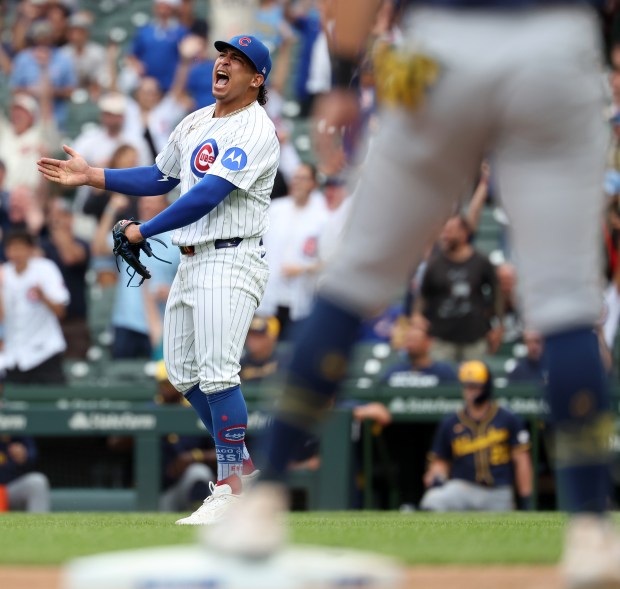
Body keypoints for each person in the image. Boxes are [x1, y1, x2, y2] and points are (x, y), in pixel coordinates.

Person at [209, 3, 620, 587]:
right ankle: (591, 532)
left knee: (352, 283)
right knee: (567, 306)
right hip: (559, 47)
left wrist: (343, 75)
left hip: (442, 46)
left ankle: (263, 500)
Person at [38, 34, 279, 525]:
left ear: (257, 79)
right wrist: (93, 177)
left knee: (216, 373)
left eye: (237, 59)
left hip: (231, 256)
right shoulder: (195, 122)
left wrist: (144, 228)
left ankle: (233, 483)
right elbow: (161, 177)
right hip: (193, 259)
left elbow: (208, 194)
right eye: (223, 54)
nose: (223, 61)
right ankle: (244, 469)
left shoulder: (256, 130)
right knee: (183, 373)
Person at [419, 360, 533, 512]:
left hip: (498, 491)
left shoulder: (508, 418)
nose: (469, 391)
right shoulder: (451, 422)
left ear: (486, 387)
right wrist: (436, 475)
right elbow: (440, 460)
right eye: (466, 386)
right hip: (463, 488)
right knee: (433, 500)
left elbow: (522, 460)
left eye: (475, 386)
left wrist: (526, 499)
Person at [1, 229, 69, 384]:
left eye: (20, 247)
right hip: (14, 355)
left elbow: (61, 311)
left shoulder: (45, 269)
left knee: (51, 403)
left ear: (30, 249)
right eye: (11, 248)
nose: (15, 253)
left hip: (44, 352)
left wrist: (43, 296)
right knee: (14, 405)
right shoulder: (4, 274)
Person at [381, 318, 458, 388]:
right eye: (408, 340)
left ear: (428, 342)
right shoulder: (394, 371)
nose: (410, 345)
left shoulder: (444, 372)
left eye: (415, 340)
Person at [0, 435, 50, 513]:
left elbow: (33, 455)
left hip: (9, 490)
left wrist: (24, 456)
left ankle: (38, 523)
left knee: (37, 482)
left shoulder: (18, 434)